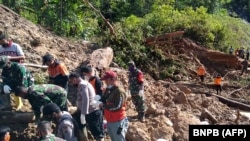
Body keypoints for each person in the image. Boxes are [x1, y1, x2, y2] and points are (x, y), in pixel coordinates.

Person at [68, 72, 104, 141]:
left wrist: (83, 113)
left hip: (92, 111)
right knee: (85, 125)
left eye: (71, 81)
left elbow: (86, 99)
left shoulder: (82, 85)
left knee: (96, 131)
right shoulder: (83, 83)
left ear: (74, 79)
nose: (72, 83)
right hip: (90, 110)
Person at [99, 70, 129, 141]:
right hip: (110, 120)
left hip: (118, 121)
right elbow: (105, 99)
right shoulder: (109, 89)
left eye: (106, 80)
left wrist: (104, 106)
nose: (105, 82)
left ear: (111, 80)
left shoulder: (119, 91)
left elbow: (117, 107)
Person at [0, 34, 26, 110]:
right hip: (6, 69)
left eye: (2, 42)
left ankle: (19, 104)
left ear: (6, 39)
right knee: (5, 85)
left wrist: (10, 58)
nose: (1, 44)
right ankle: (7, 104)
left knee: (17, 85)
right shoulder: (0, 48)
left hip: (17, 69)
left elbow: (23, 57)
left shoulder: (15, 46)